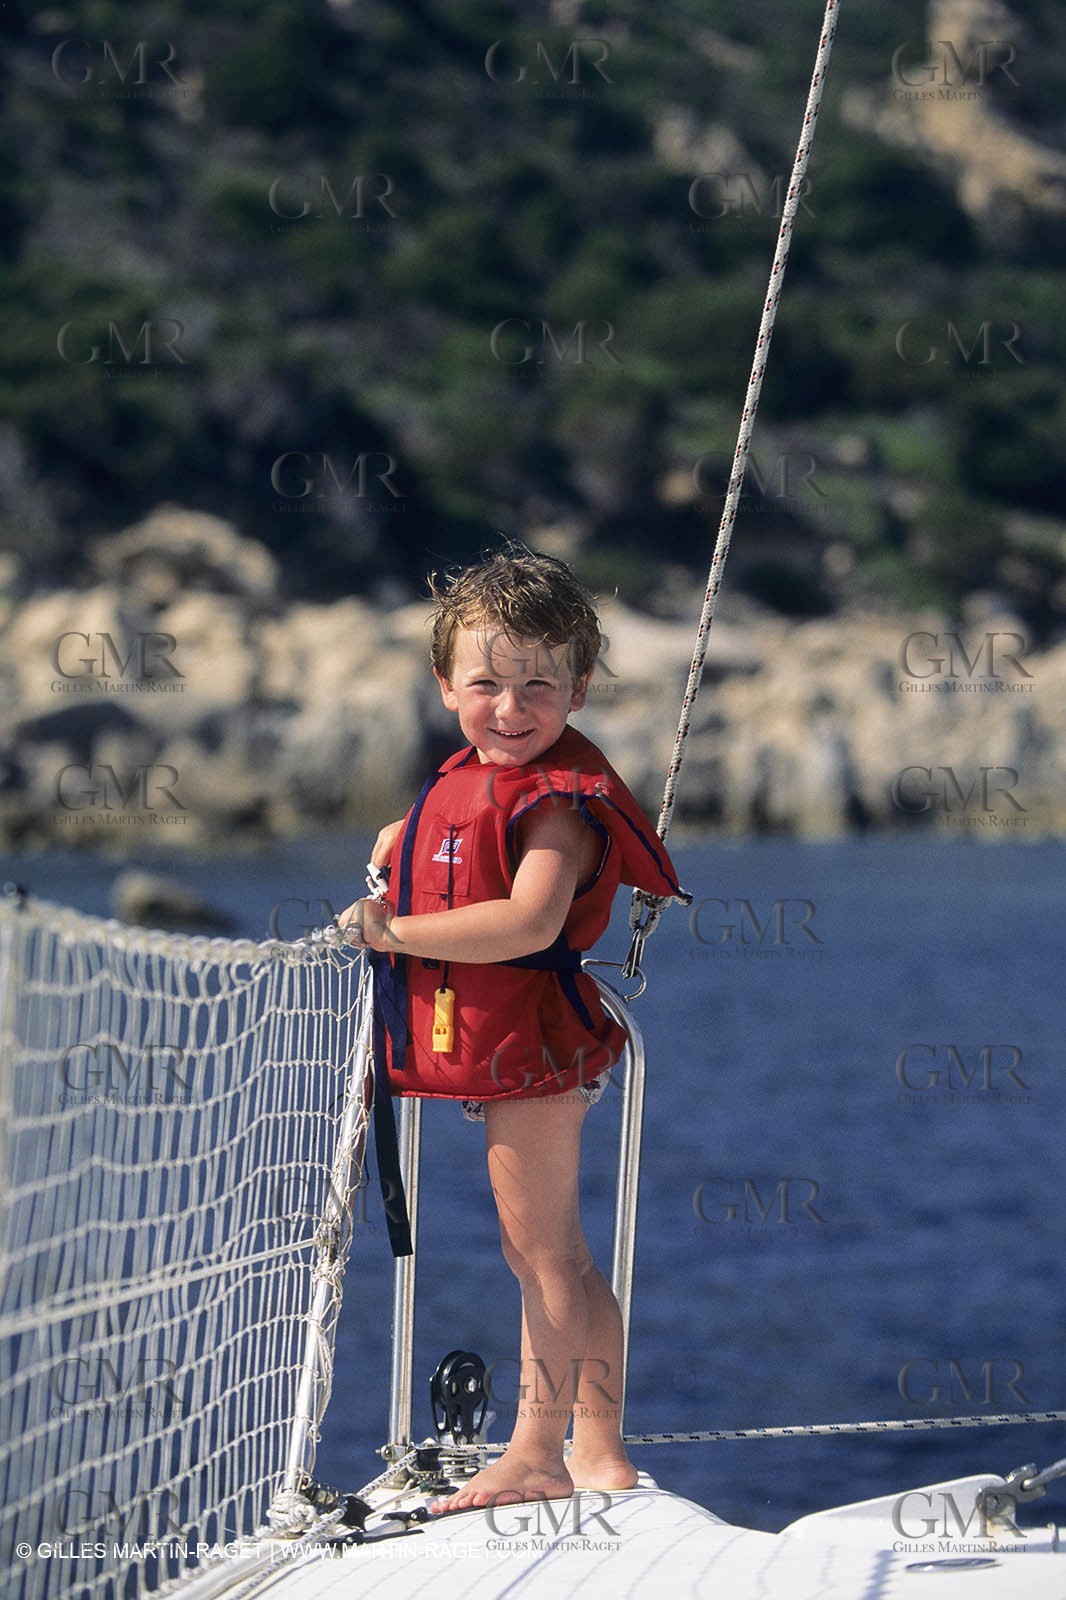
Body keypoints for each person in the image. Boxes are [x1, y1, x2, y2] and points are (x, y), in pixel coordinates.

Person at [339, 546, 684, 1515]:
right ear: (445, 684)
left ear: (577, 688)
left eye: (539, 684)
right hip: (514, 1043)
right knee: (562, 1254)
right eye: (486, 682)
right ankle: (599, 1446)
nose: (510, 706)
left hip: (534, 1047)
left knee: (538, 1257)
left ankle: (535, 1452)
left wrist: (390, 927)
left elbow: (530, 922)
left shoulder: (561, 813)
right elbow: (457, 837)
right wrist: (403, 842)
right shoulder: (473, 778)